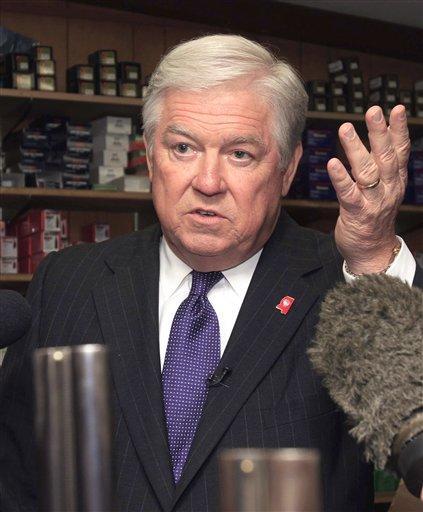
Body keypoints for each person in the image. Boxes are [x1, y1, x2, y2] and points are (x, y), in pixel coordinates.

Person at [0, 34, 419, 512]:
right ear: (151, 158)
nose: (208, 182)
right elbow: (15, 479)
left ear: (286, 169)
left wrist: (372, 258)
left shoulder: (345, 280)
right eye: (183, 148)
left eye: (240, 154)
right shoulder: (65, 283)